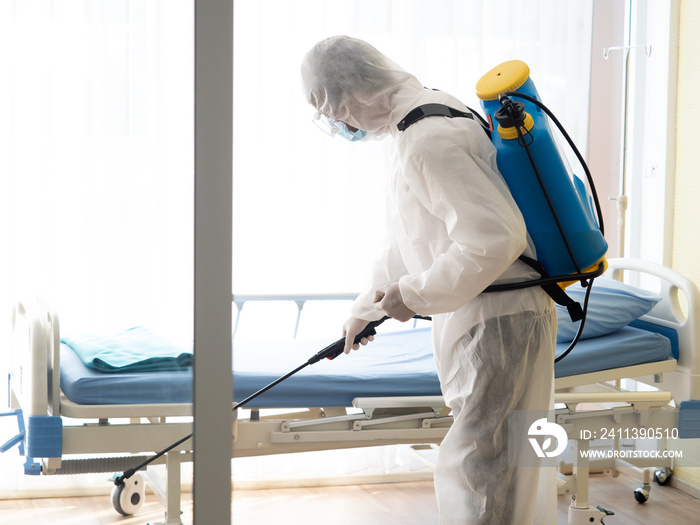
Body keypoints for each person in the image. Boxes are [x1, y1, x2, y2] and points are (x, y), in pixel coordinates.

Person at [300, 35, 557, 525]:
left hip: (498, 321)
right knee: (495, 467)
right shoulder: (416, 122)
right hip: (488, 317)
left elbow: (492, 239)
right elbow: (411, 236)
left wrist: (412, 295)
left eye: (329, 108)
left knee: (483, 472)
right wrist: (367, 308)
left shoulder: (427, 137)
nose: (336, 124)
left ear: (350, 92)